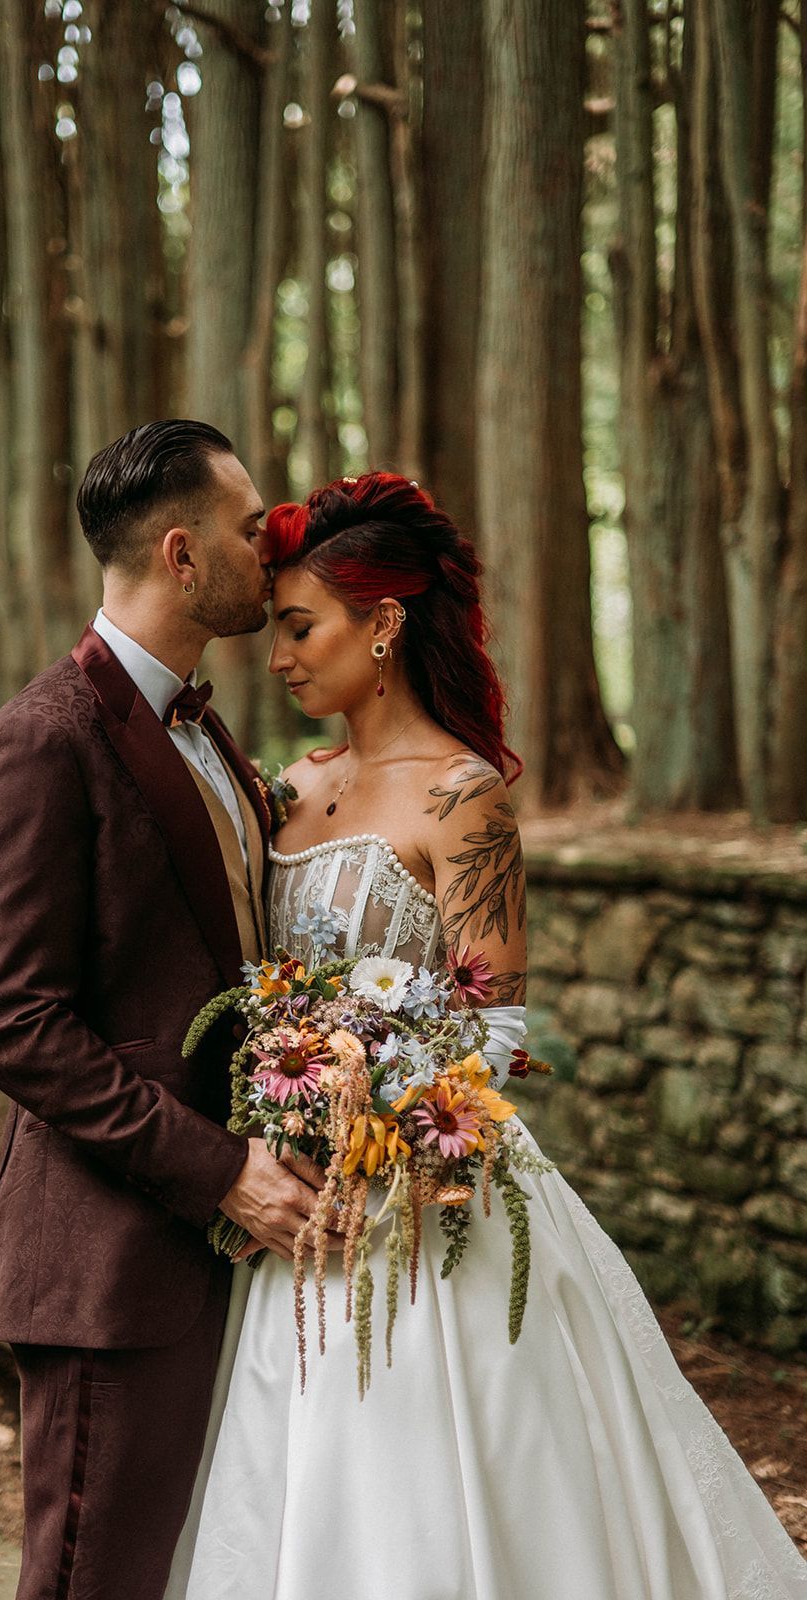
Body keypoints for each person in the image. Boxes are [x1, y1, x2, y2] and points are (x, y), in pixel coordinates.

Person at [166, 472, 807, 1599]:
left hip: (428, 1205)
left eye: (301, 627)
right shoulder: (290, 788)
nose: (278, 659)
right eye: (276, 631)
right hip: (299, 1204)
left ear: (385, 623)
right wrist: (289, 1103)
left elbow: (496, 1025)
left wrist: (392, 1115)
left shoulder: (465, 797)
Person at [0, 420, 334, 1600]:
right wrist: (220, 1168)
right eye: (249, 525)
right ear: (179, 551)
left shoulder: (207, 729)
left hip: (222, 1255)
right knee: (92, 1581)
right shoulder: (37, 741)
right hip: (110, 1259)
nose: (273, 544)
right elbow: (6, 1018)